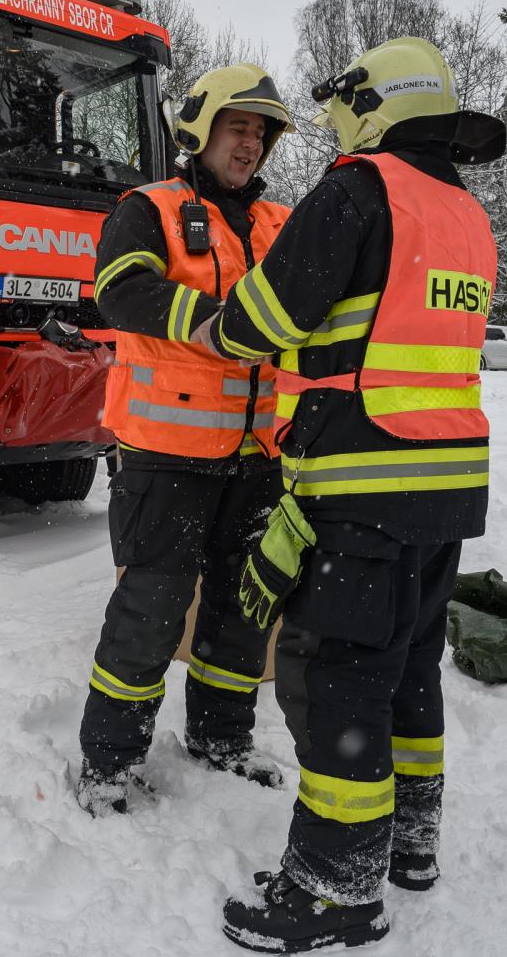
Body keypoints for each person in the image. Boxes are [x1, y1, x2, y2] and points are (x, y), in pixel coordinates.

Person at [196, 38, 505, 952]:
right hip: (446, 489)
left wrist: (219, 328)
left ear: (373, 101)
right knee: (408, 673)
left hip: (364, 486)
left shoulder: (359, 187)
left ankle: (335, 888)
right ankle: (410, 844)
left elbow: (271, 317)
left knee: (334, 682)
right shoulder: (462, 211)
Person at [74, 63, 296, 817]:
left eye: (261, 133)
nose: (251, 144)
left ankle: (222, 739)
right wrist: (210, 321)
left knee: (242, 612)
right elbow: (122, 289)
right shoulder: (150, 208)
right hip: (165, 455)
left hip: (256, 456)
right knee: (150, 610)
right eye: (239, 128)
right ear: (199, 130)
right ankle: (109, 762)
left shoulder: (278, 223)